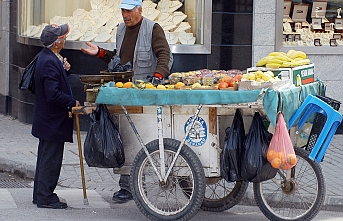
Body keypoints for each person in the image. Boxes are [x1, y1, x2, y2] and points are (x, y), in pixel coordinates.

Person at [80, 0, 172, 204]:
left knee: (143, 137)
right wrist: (100, 53)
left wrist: (158, 75)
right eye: (122, 10)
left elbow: (165, 54)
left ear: (140, 10)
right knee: (126, 137)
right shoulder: (121, 30)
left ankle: (140, 183)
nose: (125, 15)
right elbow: (118, 61)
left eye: (129, 11)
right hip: (124, 92)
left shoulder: (153, 28)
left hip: (145, 92)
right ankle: (126, 186)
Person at [32, 23, 81, 209]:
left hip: (47, 120)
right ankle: (45, 197)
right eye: (62, 37)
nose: (65, 39)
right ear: (56, 43)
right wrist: (71, 102)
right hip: (52, 121)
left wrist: (65, 69)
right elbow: (52, 94)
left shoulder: (49, 58)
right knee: (51, 159)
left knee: (45, 157)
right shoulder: (49, 62)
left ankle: (40, 194)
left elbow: (55, 83)